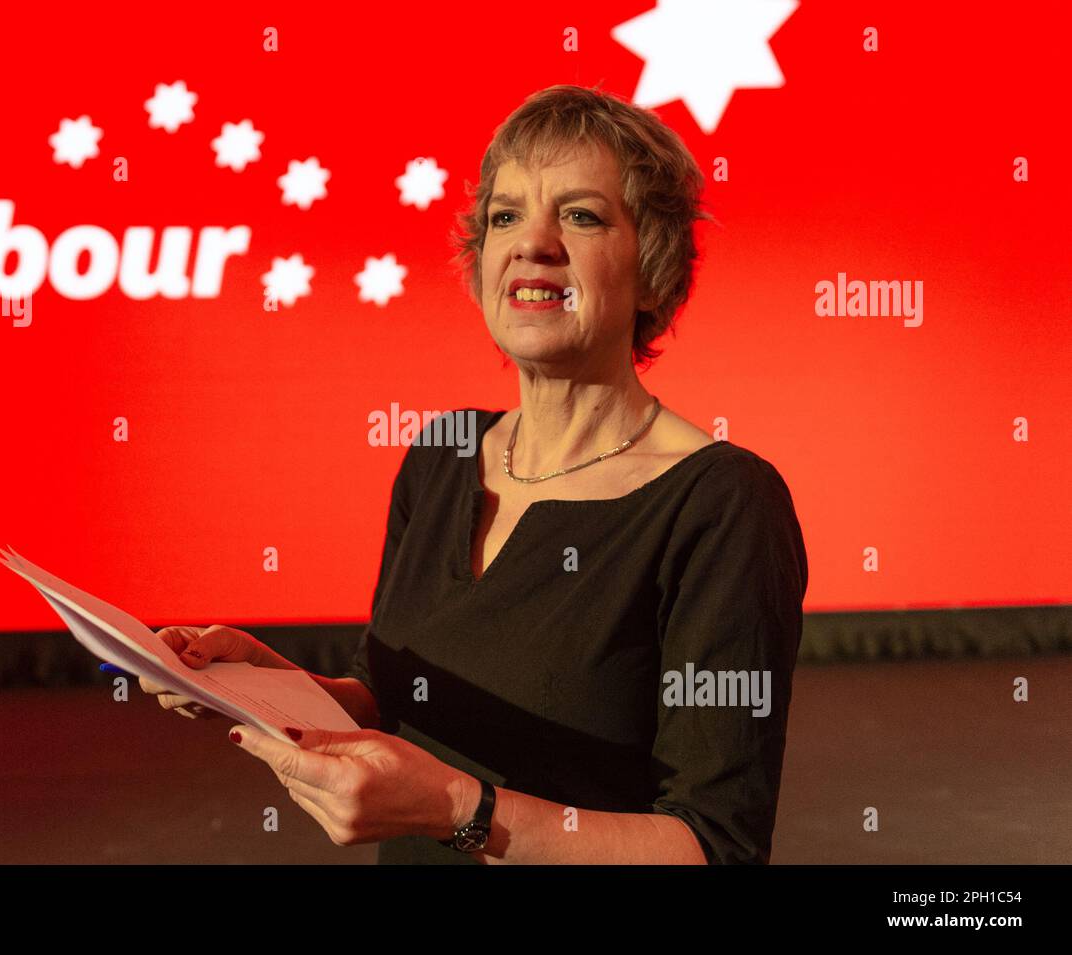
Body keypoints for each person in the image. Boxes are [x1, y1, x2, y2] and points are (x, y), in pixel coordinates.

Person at [140, 83, 808, 864]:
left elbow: (712, 846)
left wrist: (462, 808)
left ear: (655, 272)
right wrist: (260, 681)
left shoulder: (722, 505)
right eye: (505, 216)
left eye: (582, 215)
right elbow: (391, 705)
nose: (533, 241)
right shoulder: (443, 454)